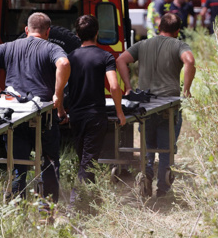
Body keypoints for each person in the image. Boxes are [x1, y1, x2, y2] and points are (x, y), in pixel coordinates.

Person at [0, 12, 70, 202]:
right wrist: (58, 94)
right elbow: (63, 63)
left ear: (26, 30)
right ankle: (47, 211)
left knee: (17, 165)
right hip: (44, 118)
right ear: (48, 31)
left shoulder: (9, 47)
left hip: (14, 117)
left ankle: (16, 209)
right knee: (49, 162)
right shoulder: (51, 48)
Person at [117, 13, 196, 197]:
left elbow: (121, 60)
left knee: (147, 147)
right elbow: (190, 61)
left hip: (145, 105)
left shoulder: (143, 44)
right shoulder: (179, 45)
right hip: (168, 106)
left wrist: (128, 87)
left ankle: (145, 180)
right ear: (177, 31)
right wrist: (187, 90)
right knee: (166, 148)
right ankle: (163, 190)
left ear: (159, 27)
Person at [66, 15, 126, 202]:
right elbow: (114, 86)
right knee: (88, 161)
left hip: (75, 115)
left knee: (86, 160)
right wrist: (119, 111)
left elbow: (61, 86)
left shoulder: (70, 57)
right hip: (95, 116)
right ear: (97, 33)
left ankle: (90, 200)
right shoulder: (105, 56)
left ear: (77, 34)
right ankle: (74, 204)